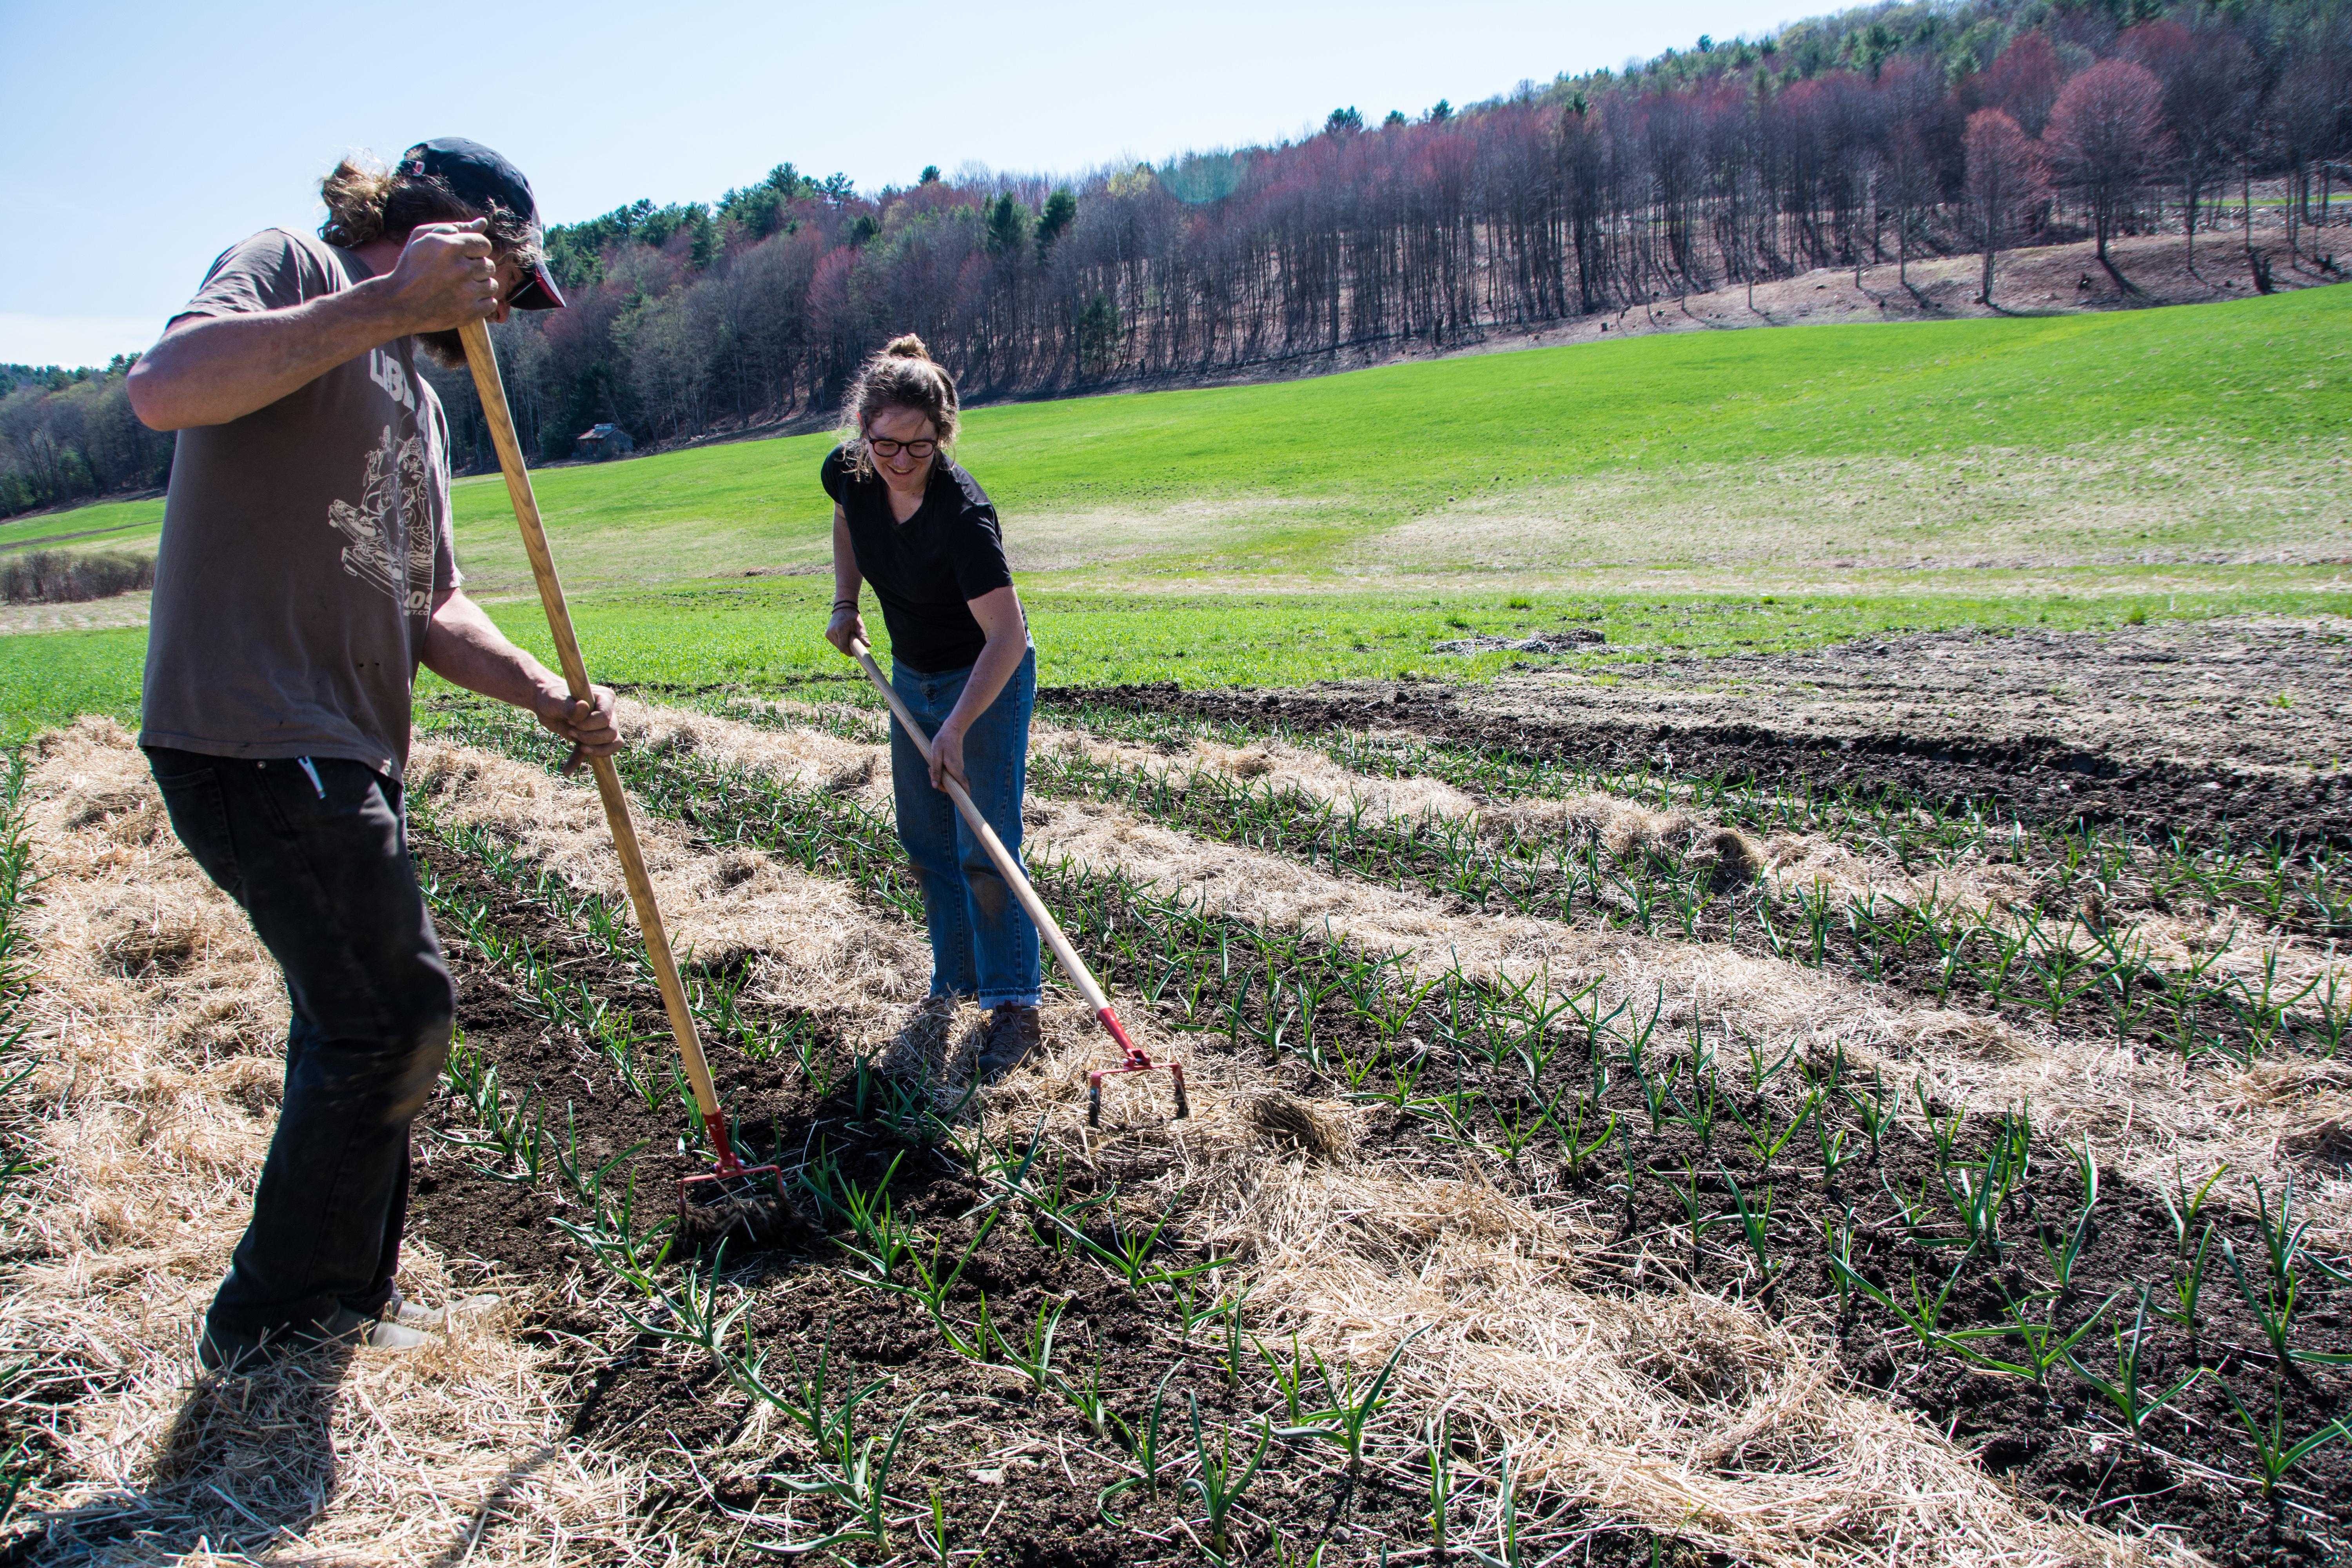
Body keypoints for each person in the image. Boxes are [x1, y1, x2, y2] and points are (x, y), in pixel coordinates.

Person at [125, 139, 621, 1370]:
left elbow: (431, 604)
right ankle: (276, 1324)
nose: (503, 307)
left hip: (342, 751)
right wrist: (384, 304)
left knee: (363, 1015)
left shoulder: (424, 402)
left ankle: (333, 1306)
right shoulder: (292, 268)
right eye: (506, 273)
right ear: (447, 228)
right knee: (392, 1015)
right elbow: (166, 387)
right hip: (251, 730)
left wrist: (548, 694)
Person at [821, 337, 1042, 1076]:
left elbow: (1008, 638)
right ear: (862, 430)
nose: (900, 461)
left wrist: (954, 729)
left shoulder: (964, 516)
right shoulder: (850, 471)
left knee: (986, 846)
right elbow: (848, 521)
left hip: (984, 677)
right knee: (926, 842)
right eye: (885, 444)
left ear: (942, 437)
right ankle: (954, 983)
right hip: (911, 675)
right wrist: (846, 600)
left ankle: (1014, 1004)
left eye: (919, 446)